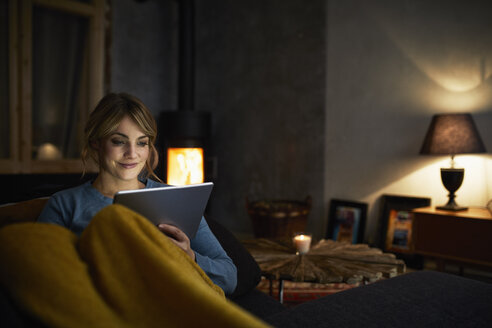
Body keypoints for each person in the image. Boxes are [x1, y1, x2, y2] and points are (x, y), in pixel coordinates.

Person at [37, 92, 237, 295]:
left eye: (141, 142)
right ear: (96, 142)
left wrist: (190, 257)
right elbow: (40, 276)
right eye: (118, 141)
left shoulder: (177, 199)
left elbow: (229, 277)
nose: (132, 153)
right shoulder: (65, 204)